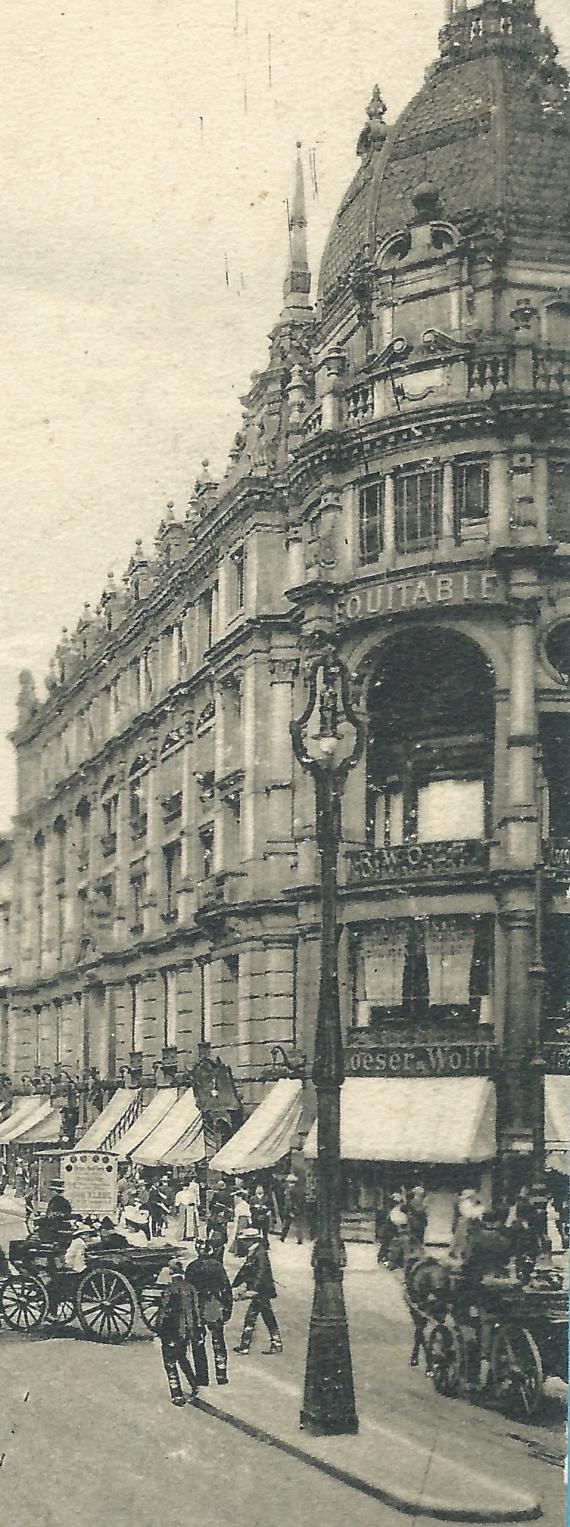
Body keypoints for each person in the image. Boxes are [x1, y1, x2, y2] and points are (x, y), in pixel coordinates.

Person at [185, 1240, 233, 1386]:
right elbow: (226, 1288)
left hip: (198, 1307)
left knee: (198, 1343)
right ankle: (221, 1374)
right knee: (218, 1341)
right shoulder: (217, 1266)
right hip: (214, 1305)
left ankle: (202, 1377)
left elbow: (189, 1291)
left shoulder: (192, 1267)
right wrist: (227, 1308)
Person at [156, 1260, 201, 1407]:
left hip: (171, 1331)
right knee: (182, 1357)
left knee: (170, 1363)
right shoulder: (192, 1288)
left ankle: (177, 1394)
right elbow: (196, 1311)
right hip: (187, 1331)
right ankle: (194, 1385)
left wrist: (159, 1330)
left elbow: (163, 1313)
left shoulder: (169, 1290)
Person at [232, 1230, 282, 1356]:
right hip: (261, 1291)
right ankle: (275, 1343)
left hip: (261, 1291)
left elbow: (261, 1273)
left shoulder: (260, 1253)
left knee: (252, 1317)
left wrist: (253, 1290)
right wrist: (235, 1284)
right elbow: (245, 1270)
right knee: (266, 1316)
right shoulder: (255, 1251)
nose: (242, 1242)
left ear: (251, 1240)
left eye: (244, 1240)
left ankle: (245, 1346)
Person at [280, 1174, 305, 1245]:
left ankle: (282, 1237)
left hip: (291, 1210)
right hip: (299, 1209)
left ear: (288, 1182)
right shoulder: (300, 1190)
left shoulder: (289, 1190)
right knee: (298, 1225)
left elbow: (289, 1202)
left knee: (287, 1224)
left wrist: (290, 1210)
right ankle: (300, 1239)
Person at [175, 1174, 201, 1244]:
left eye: (186, 1186)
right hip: (183, 1207)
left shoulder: (191, 1193)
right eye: (184, 1186)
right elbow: (177, 1203)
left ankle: (190, 1235)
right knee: (183, 1221)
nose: (185, 1188)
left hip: (190, 1207)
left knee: (191, 1221)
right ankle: (181, 1236)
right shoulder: (179, 1194)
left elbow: (194, 1201)